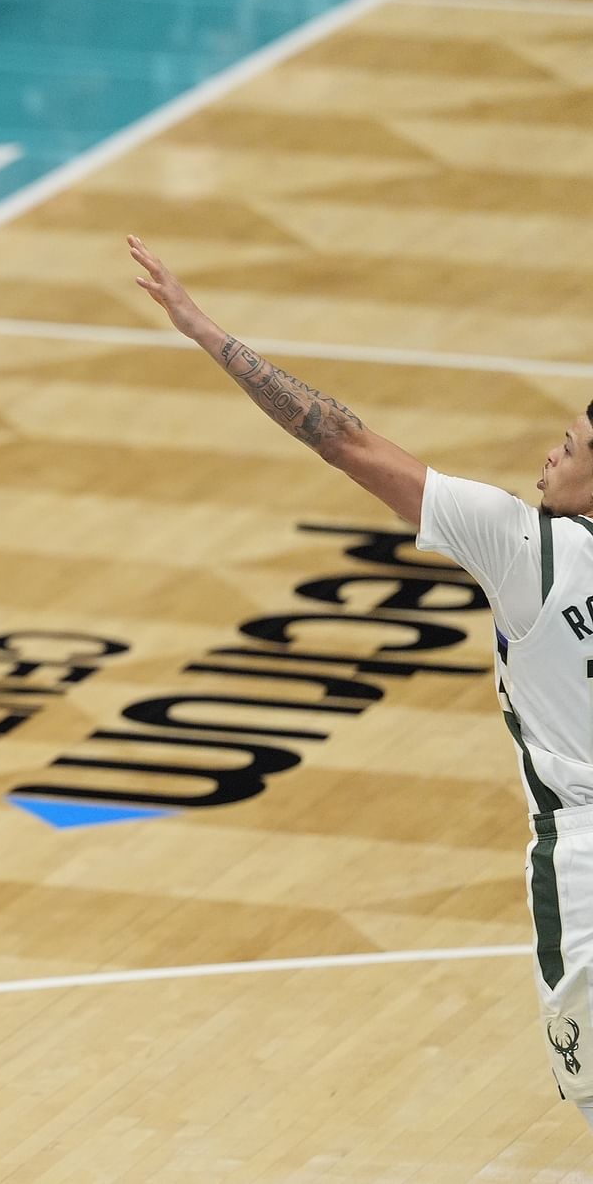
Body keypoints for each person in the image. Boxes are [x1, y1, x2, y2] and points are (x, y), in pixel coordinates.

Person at [125, 235, 593, 1140]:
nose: (549, 453)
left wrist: (207, 331)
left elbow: (341, 437)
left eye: (569, 445)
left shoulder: (524, 548)